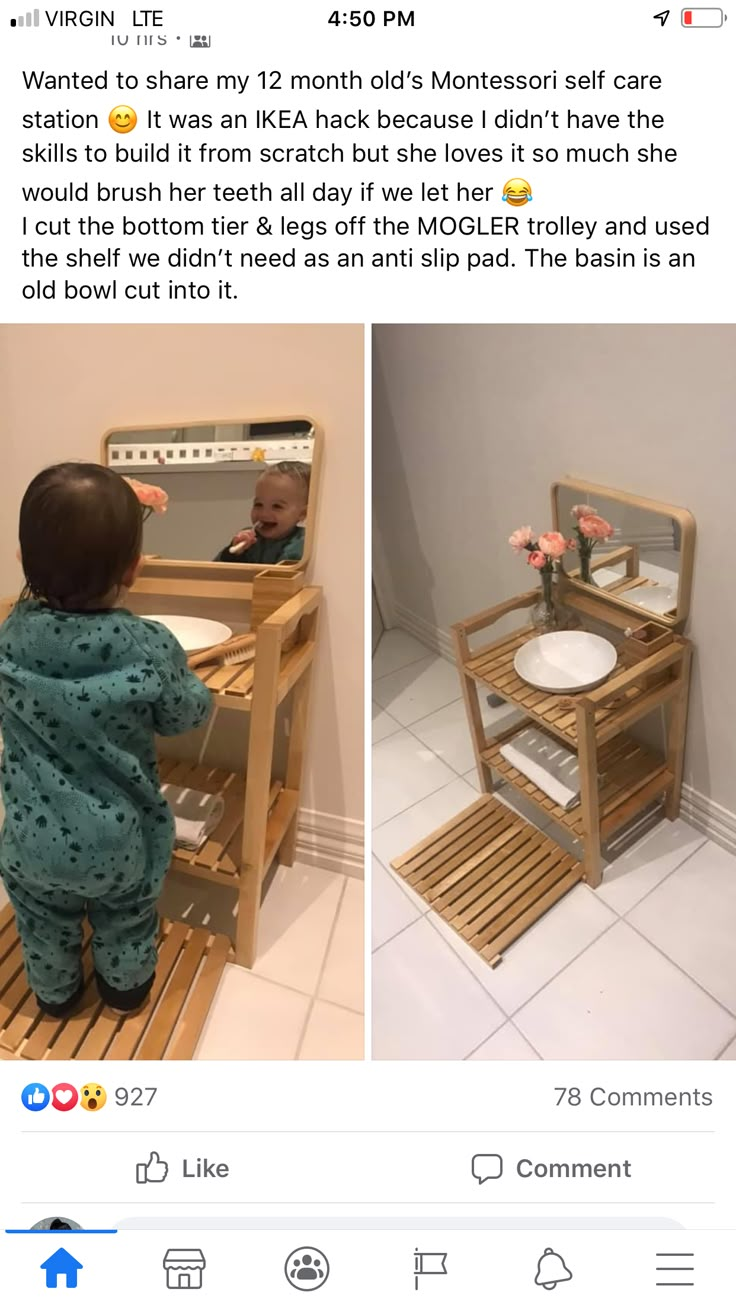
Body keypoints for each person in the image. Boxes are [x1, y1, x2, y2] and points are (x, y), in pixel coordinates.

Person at [0, 463, 212, 1018]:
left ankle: (56, 997)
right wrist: (193, 683)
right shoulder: (148, 643)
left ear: (23, 560)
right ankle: (124, 994)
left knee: (42, 919)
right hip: (119, 839)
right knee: (126, 915)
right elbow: (183, 714)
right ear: (134, 569)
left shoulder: (10, 634)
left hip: (29, 837)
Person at [214, 461, 310, 564]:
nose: (264, 513)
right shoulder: (249, 538)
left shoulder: (302, 544)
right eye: (258, 504)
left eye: (277, 506)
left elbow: (281, 577)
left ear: (303, 513)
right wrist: (234, 553)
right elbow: (215, 571)